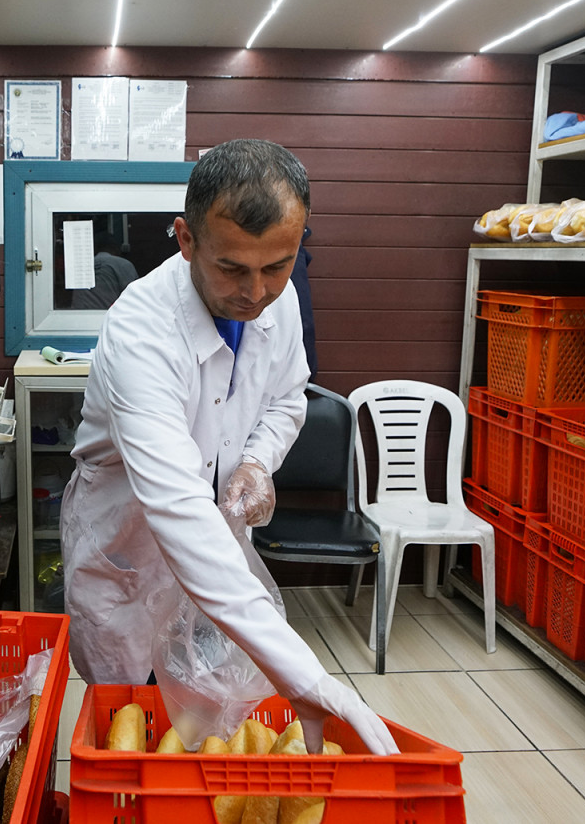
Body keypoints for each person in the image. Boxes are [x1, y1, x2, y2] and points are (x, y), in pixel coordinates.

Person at [60, 139, 396, 755]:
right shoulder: (141, 330)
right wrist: (301, 669)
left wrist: (256, 461)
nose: (257, 291)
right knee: (128, 730)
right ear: (186, 239)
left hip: (216, 545)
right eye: (233, 268)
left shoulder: (279, 297)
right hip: (126, 546)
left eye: (278, 265)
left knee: (207, 727)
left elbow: (289, 397)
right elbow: (177, 507)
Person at [70, 231, 138, 310]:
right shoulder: (123, 264)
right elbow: (134, 296)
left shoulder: (82, 266)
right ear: (116, 247)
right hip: (110, 316)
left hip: (77, 316)